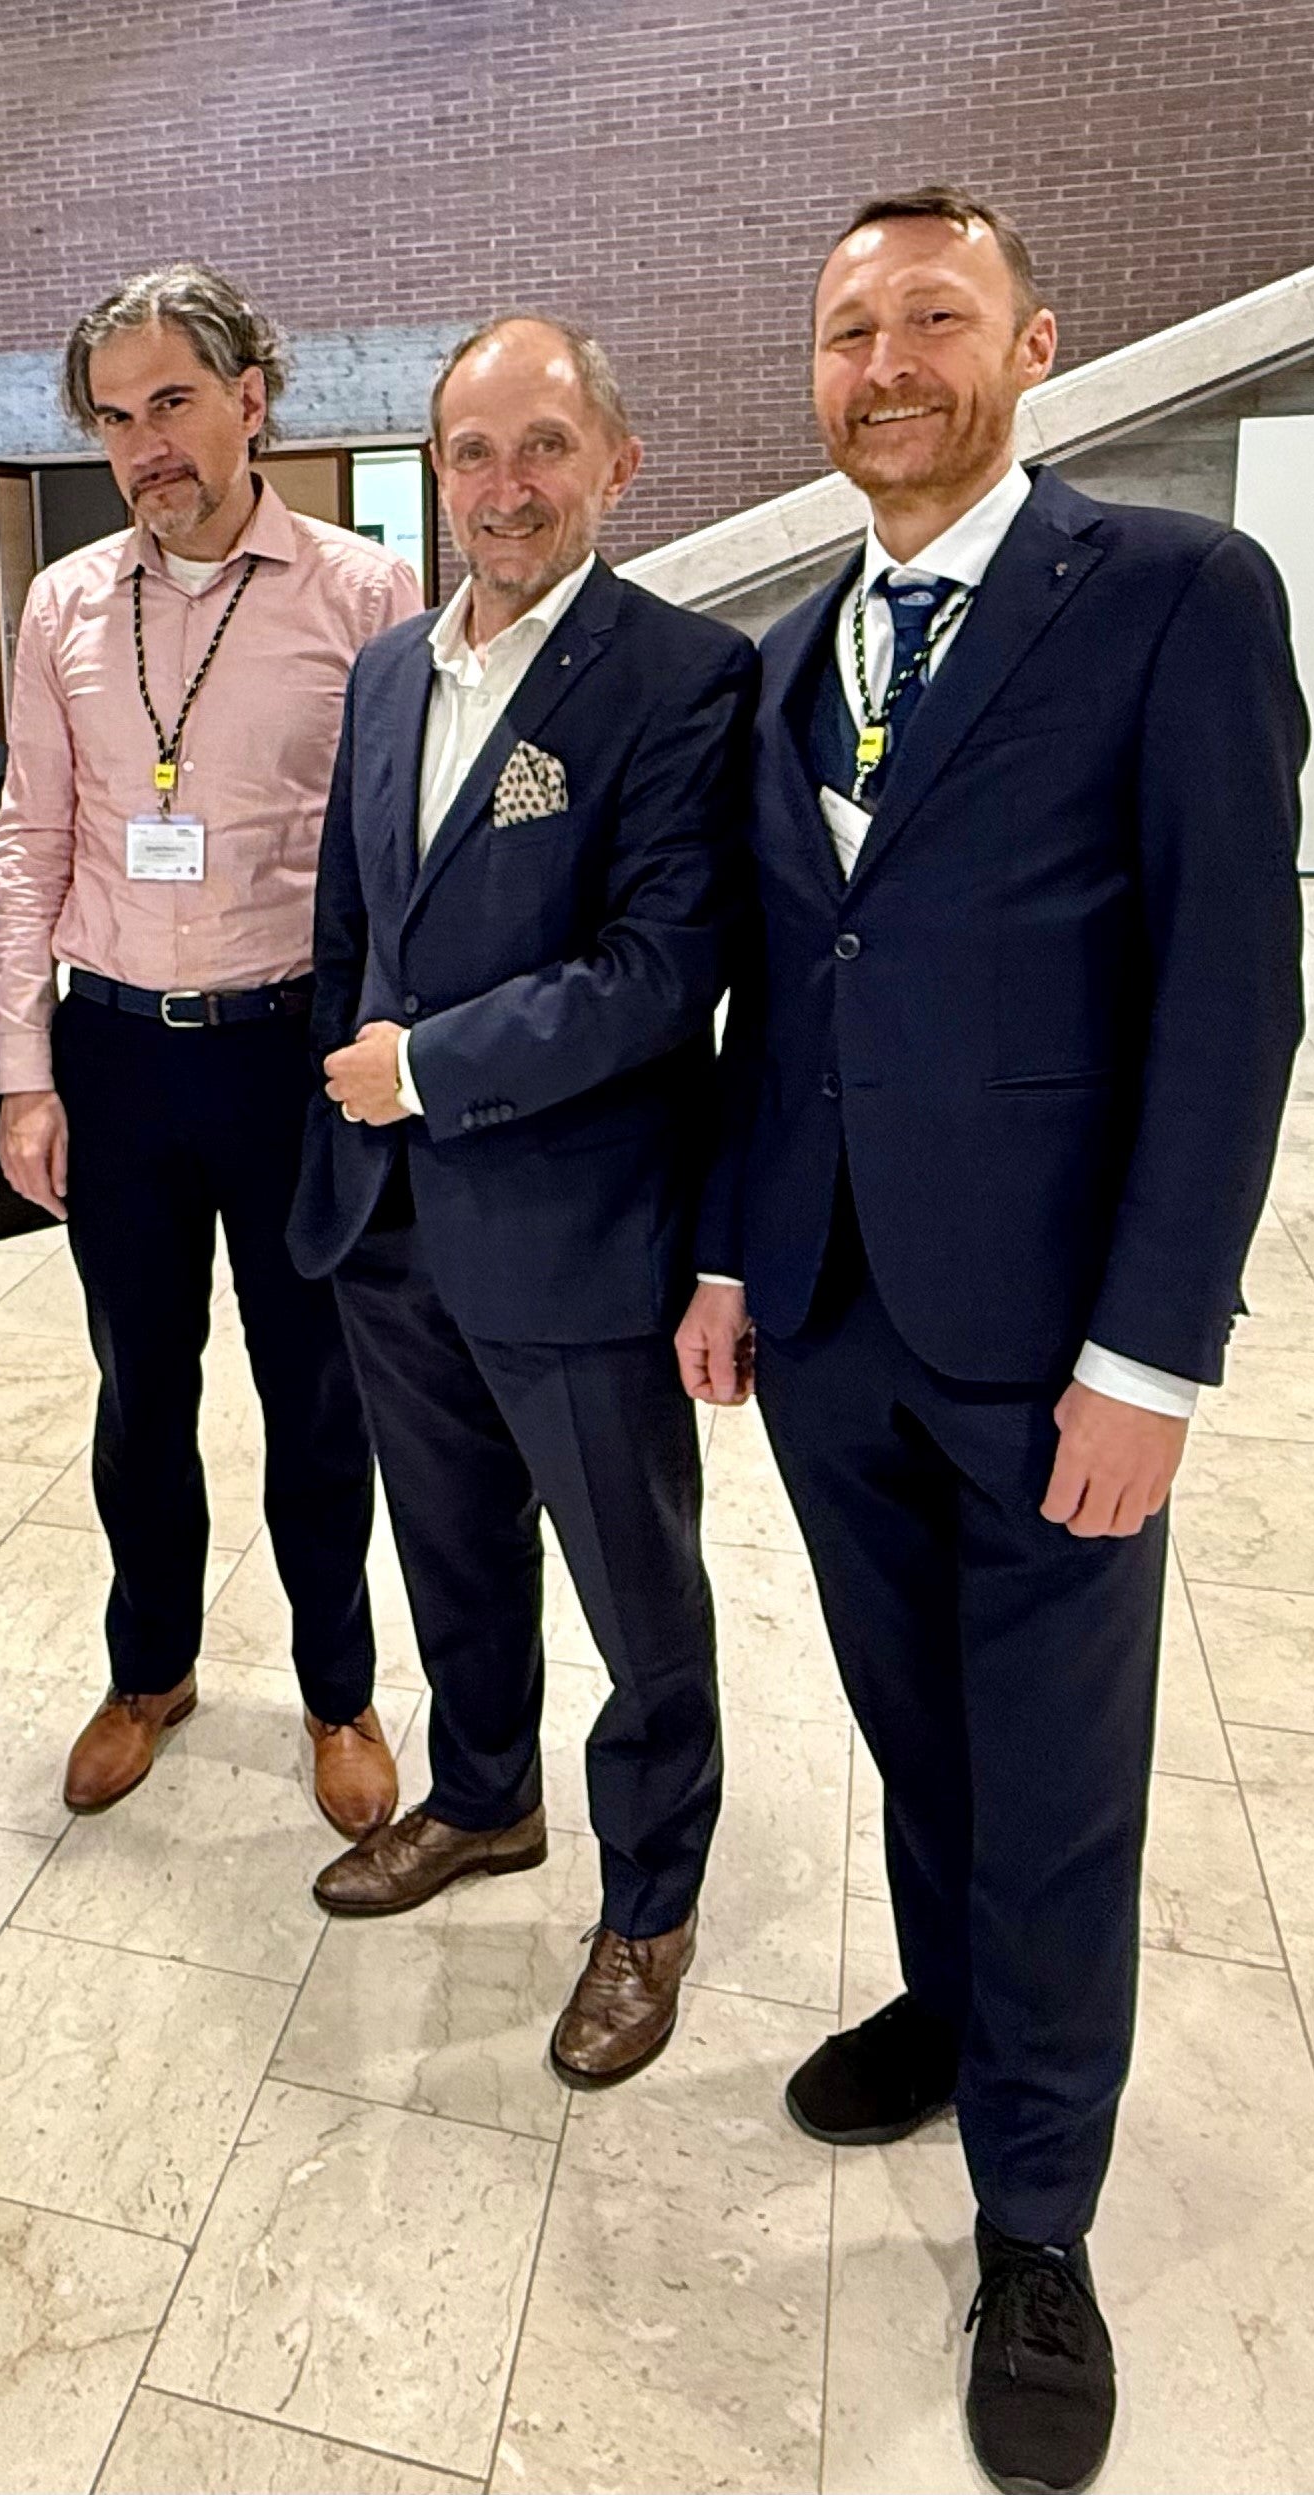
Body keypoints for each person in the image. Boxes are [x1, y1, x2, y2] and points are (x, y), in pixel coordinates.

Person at [682, 188, 1305, 2492]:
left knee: (1055, 1790)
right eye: (844, 329)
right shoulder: (780, 654)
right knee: (911, 1728)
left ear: (1030, 342)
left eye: (928, 317)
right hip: (835, 1322)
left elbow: (1228, 1001)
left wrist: (1150, 1361)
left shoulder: (1165, 601)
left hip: (1052, 1347)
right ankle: (952, 2014)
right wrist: (741, 1260)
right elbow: (775, 997)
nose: (881, 363)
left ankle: (1034, 2225)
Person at [290, 318, 752, 2089]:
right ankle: (484, 1800)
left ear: (615, 465)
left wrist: (423, 1066)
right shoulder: (394, 672)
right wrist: (349, 1109)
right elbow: (353, 929)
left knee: (638, 1592)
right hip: (389, 1225)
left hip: (574, 1231)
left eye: (542, 447)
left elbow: (660, 969)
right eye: (470, 454)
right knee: (451, 1545)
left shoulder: (683, 679)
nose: (504, 488)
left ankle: (651, 1902)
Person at [0, 264, 421, 1835]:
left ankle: (338, 1689)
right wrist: (22, 1070)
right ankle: (150, 1666)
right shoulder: (64, 605)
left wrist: (390, 1052)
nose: (144, 444)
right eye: (114, 417)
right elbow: (34, 838)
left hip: (288, 1059)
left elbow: (397, 853)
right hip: (116, 1054)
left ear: (254, 395)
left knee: (320, 1392)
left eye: (172, 400)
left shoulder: (366, 595)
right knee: (137, 1389)